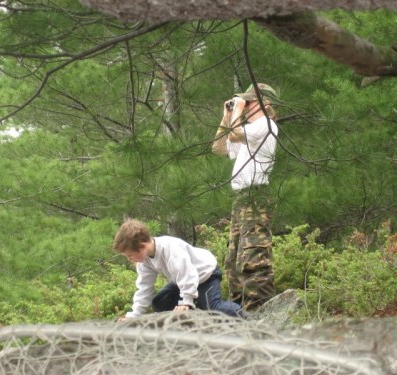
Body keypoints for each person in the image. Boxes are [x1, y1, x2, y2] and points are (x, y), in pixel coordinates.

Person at [212, 82, 278, 311]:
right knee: (232, 262)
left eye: (249, 101)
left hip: (255, 196)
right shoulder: (249, 134)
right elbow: (219, 148)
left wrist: (236, 112)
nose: (245, 105)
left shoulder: (266, 125)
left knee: (253, 259)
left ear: (265, 104)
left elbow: (237, 133)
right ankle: (240, 313)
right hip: (241, 199)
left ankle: (261, 312)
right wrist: (226, 116)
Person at [113, 219, 243, 319]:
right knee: (160, 302)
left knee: (214, 308)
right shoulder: (144, 261)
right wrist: (134, 315)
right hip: (183, 282)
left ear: (142, 246)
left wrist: (186, 302)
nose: (130, 259)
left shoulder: (170, 248)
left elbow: (188, 273)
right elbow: (144, 288)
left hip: (205, 275)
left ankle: (246, 316)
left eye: (130, 255)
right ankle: (187, 319)